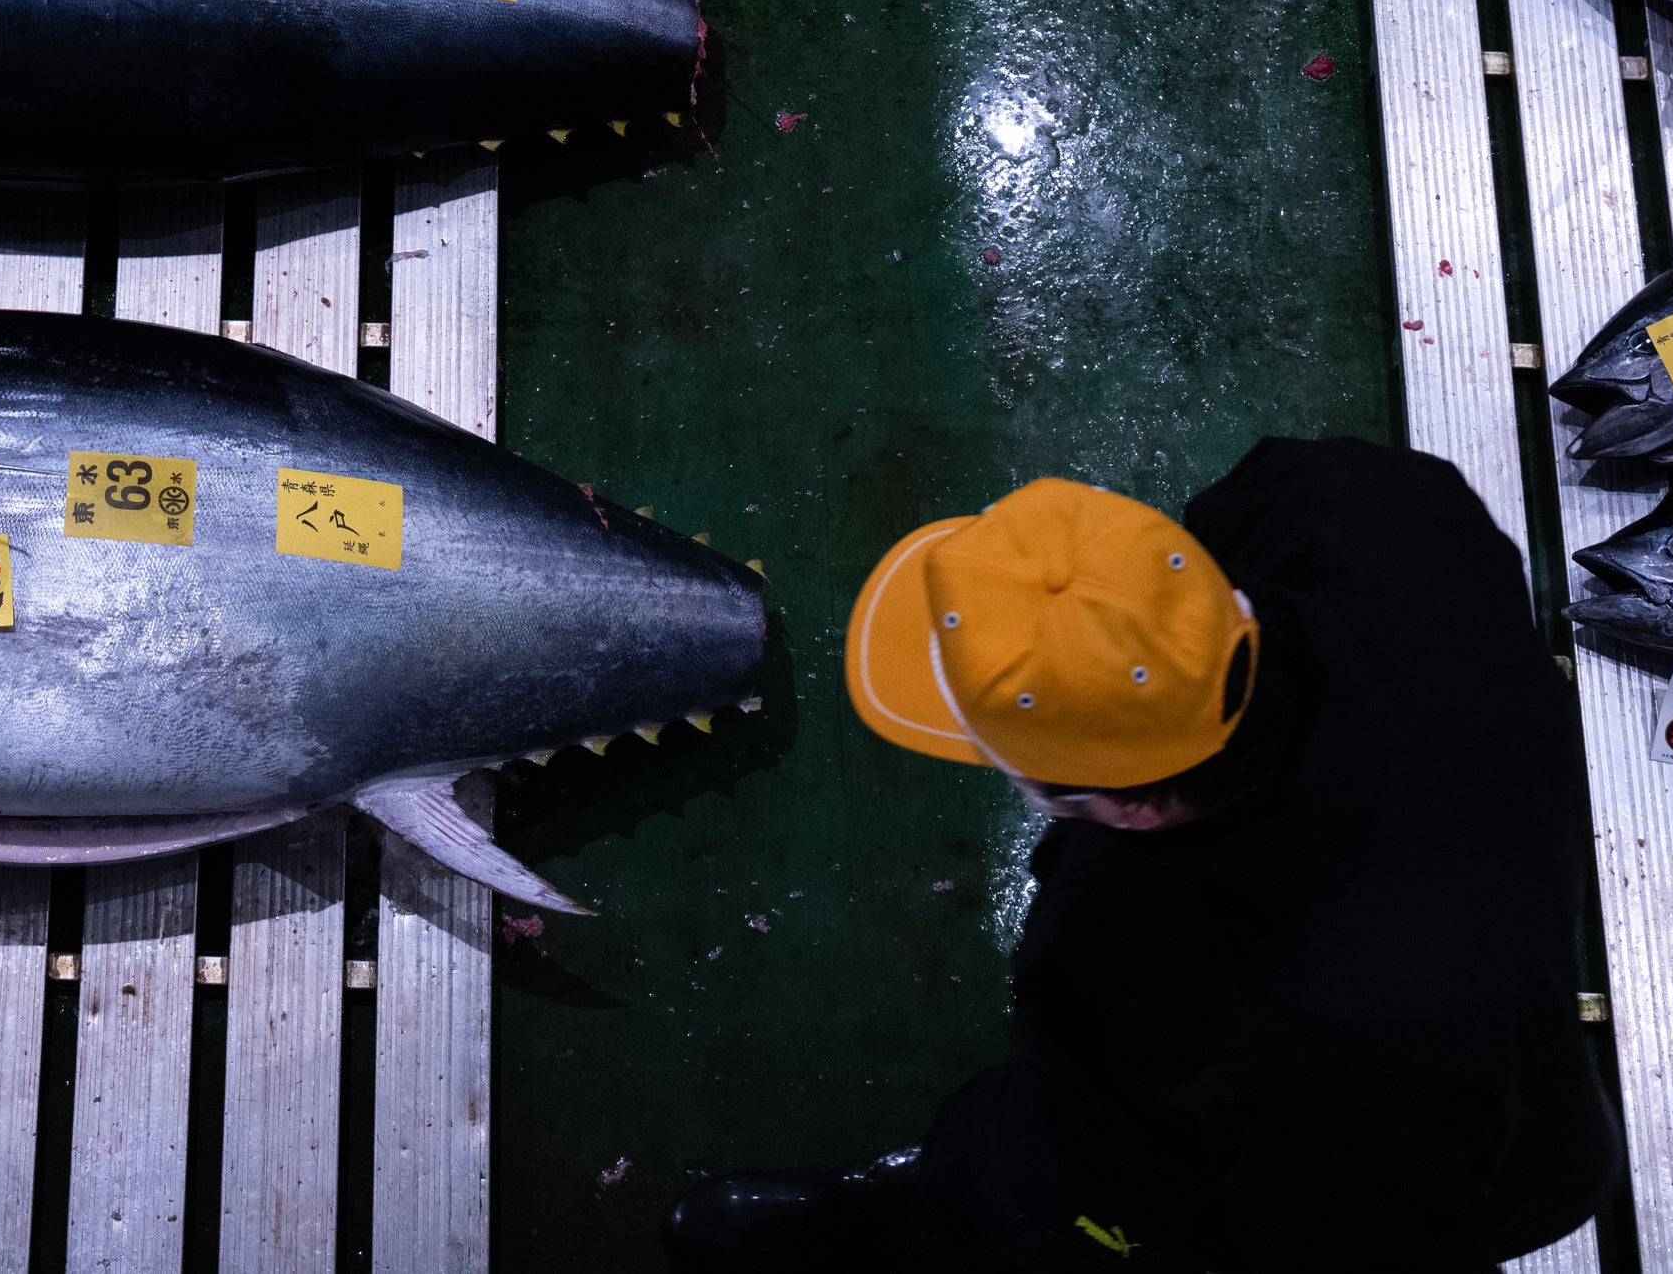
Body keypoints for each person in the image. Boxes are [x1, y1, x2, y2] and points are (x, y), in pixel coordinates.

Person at [666, 440, 1620, 1273]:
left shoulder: (1273, 1015)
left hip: (1344, 1178)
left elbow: (1361, 1236)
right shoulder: (1356, 505)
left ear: (1125, 805)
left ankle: (967, 1223)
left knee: (1068, 1202)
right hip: (1492, 1035)